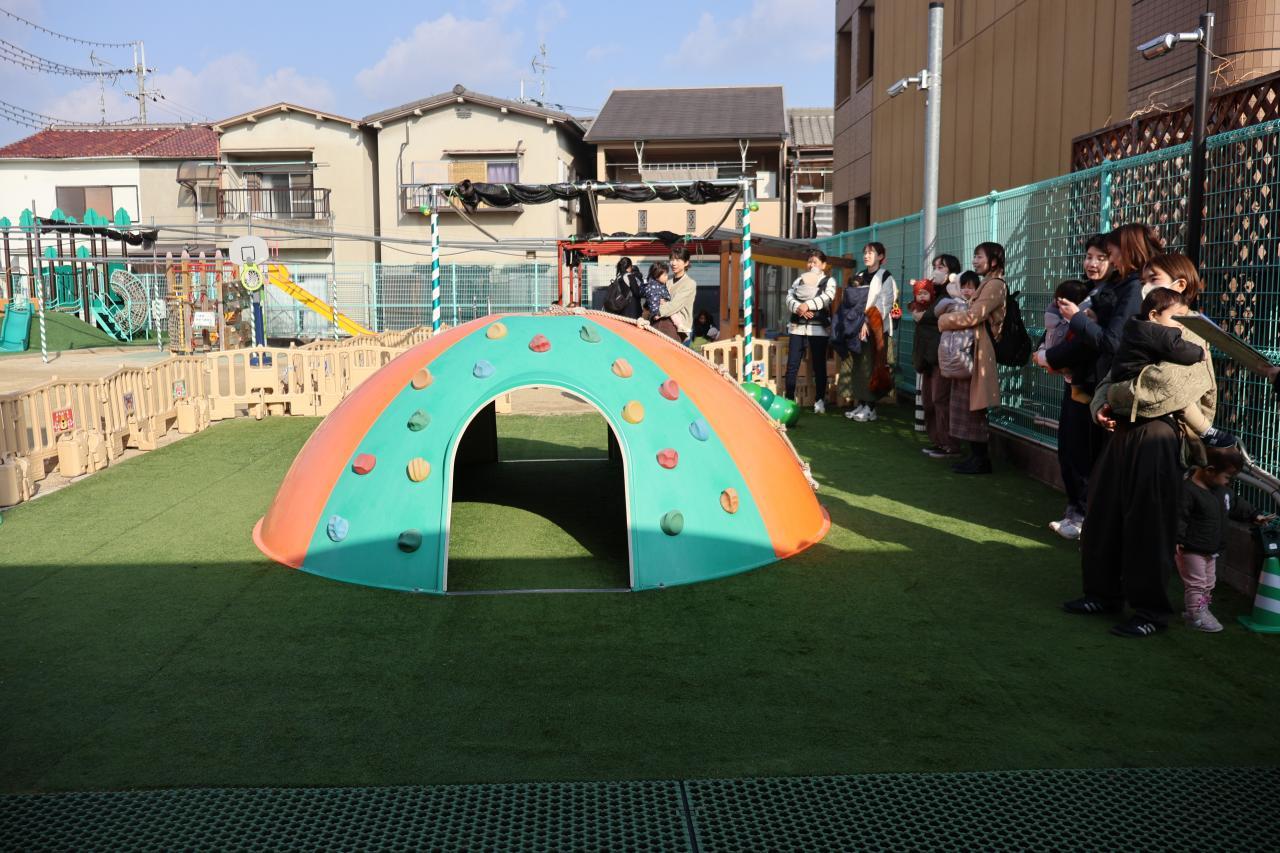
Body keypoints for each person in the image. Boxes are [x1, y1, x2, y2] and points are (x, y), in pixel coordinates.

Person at [1062, 226, 1207, 640]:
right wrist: (1100, 405)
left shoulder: (1194, 332)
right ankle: (1102, 593)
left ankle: (1150, 610)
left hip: (1160, 436)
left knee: (1148, 524)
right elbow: (1112, 376)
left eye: (1153, 280)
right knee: (1103, 513)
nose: (1144, 287)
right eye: (1144, 280)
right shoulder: (1141, 326)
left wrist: (1115, 397)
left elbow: (1166, 389)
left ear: (1179, 286)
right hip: (1123, 431)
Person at [1035, 231, 1143, 538]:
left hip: (1096, 383)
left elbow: (1102, 341)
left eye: (1102, 257)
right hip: (1078, 380)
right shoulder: (1087, 290)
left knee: (1084, 450)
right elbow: (1058, 327)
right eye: (1089, 257)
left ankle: (1083, 515)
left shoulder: (1125, 291)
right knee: (1070, 447)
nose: (1092, 263)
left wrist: (1051, 356)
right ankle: (1077, 511)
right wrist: (1045, 351)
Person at [1105, 286, 1234, 448]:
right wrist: (1200, 353)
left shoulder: (1137, 326)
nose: (1182, 323)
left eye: (1184, 317)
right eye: (1177, 317)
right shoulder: (1157, 332)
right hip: (1136, 380)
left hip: (1124, 379)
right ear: (1153, 315)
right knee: (1182, 400)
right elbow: (1177, 348)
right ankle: (1206, 431)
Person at [1177, 444, 1274, 632]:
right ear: (1210, 470)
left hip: (1210, 549)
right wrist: (1177, 540)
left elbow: (1237, 505)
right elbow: (1178, 518)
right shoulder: (1188, 491)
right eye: (1227, 477)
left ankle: (1199, 610)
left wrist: (1255, 515)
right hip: (1190, 549)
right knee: (1197, 584)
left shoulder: (1222, 491)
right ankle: (1197, 616)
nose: (1228, 482)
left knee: (1208, 582)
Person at [936, 242, 1008, 474]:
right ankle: (976, 456)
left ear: (993, 261)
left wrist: (944, 321)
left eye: (979, 256)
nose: (975, 261)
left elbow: (974, 316)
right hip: (973, 350)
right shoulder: (988, 283)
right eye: (975, 256)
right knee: (968, 405)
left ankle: (980, 459)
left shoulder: (995, 284)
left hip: (980, 353)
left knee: (974, 407)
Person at [913, 254, 963, 458]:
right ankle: (938, 441)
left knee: (940, 399)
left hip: (943, 354)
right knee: (928, 401)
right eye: (935, 266)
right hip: (927, 355)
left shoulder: (954, 293)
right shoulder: (932, 291)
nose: (936, 270)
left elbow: (931, 317)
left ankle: (950, 444)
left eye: (941, 266)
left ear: (952, 271)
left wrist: (922, 316)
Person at [842, 242, 895, 422]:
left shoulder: (886, 276)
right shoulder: (859, 275)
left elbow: (885, 303)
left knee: (872, 365)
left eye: (871, 252)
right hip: (858, 328)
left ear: (881, 256)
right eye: (865, 252)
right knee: (859, 367)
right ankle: (862, 403)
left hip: (876, 329)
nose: (866, 255)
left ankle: (871, 407)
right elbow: (851, 300)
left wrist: (867, 321)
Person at [784, 249, 836, 413]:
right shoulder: (799, 279)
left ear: (823, 265)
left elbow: (828, 297)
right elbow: (789, 297)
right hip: (797, 328)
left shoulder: (829, 280)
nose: (811, 265)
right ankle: (789, 399)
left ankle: (820, 400)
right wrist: (799, 307)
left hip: (818, 329)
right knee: (792, 365)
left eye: (815, 262)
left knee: (819, 365)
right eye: (810, 261)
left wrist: (808, 305)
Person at [936, 271, 979, 381]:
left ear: (977, 289)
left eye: (970, 288)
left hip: (964, 347)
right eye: (963, 287)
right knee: (946, 349)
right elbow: (937, 311)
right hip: (950, 341)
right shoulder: (954, 302)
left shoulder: (977, 305)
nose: (966, 290)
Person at [653, 247, 696, 342]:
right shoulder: (666, 280)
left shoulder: (689, 283)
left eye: (678, 260)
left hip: (676, 326)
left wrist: (657, 311)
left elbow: (674, 305)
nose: (673, 263)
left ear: (686, 263)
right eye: (672, 259)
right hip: (659, 319)